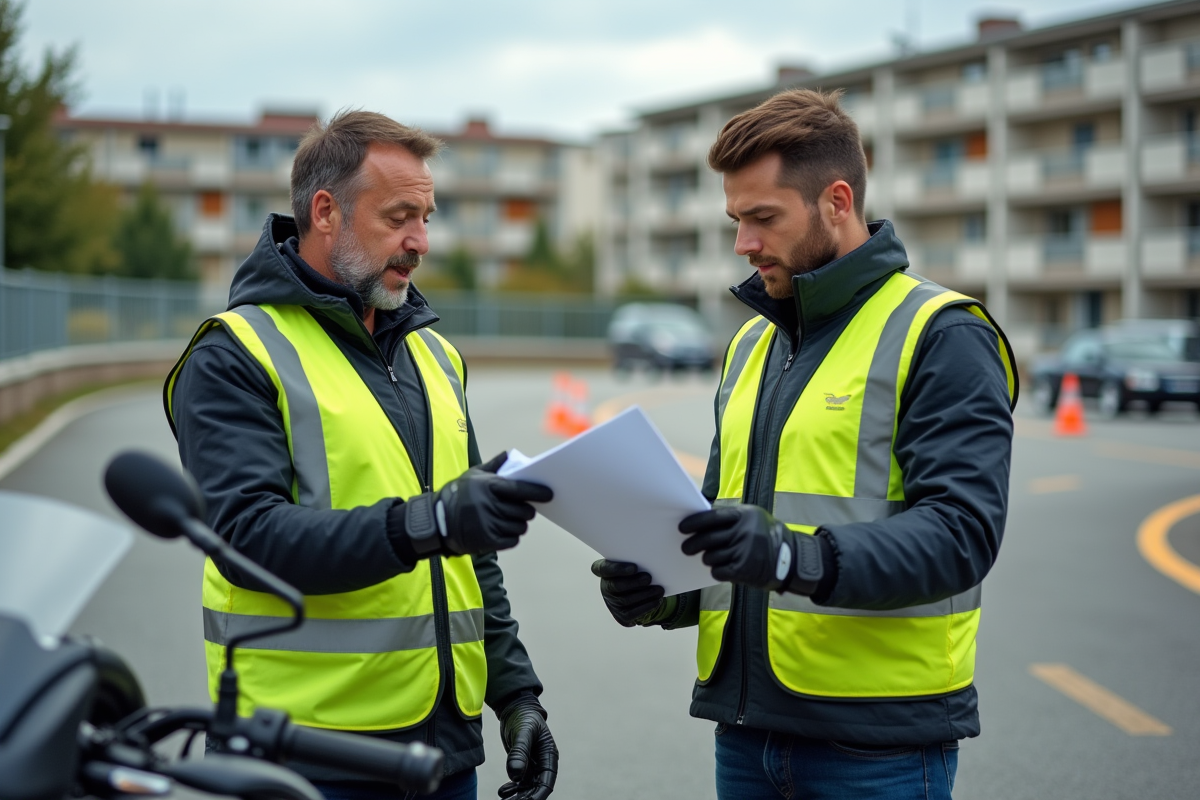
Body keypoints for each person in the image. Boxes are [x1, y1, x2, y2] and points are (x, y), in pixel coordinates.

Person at [592, 88, 1017, 799]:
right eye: (736, 219)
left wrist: (790, 553)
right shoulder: (752, 343)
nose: (744, 243)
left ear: (836, 201)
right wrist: (664, 589)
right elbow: (733, 534)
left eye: (763, 218)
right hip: (747, 733)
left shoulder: (943, 334)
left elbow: (962, 535)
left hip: (877, 748)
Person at [166, 111, 558, 800]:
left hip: (442, 753)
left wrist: (518, 698)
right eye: (400, 216)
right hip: (303, 754)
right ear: (325, 212)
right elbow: (245, 537)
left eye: (428, 217)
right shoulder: (235, 353)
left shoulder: (434, 354)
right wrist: (428, 523)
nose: (421, 241)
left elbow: (469, 555)